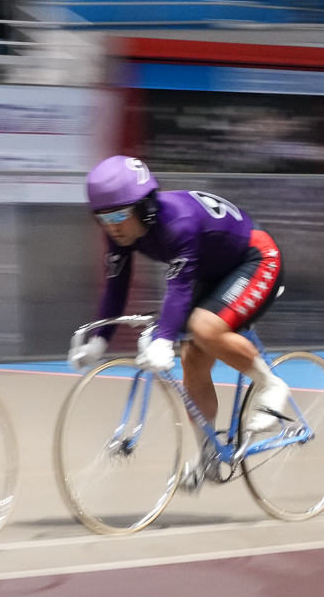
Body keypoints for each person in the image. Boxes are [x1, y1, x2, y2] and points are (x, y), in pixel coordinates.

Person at [70, 156, 290, 483]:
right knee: (192, 361)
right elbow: (116, 285)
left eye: (118, 215)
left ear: (144, 207)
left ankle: (272, 385)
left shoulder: (178, 222)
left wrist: (162, 339)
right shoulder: (120, 232)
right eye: (102, 219)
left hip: (256, 258)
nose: (112, 226)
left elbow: (179, 287)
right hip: (212, 270)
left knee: (203, 327)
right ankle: (208, 453)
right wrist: (100, 340)